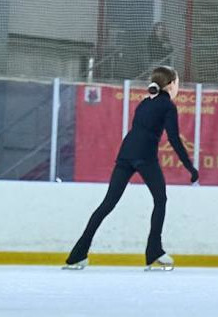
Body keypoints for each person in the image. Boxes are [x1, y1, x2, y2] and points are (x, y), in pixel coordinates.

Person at [63, 66, 198, 271]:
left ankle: (77, 255)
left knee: (107, 204)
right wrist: (190, 167)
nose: (178, 86)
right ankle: (154, 252)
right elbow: (173, 139)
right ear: (170, 84)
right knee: (160, 199)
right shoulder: (167, 106)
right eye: (177, 82)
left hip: (126, 153)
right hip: (145, 156)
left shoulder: (144, 103)